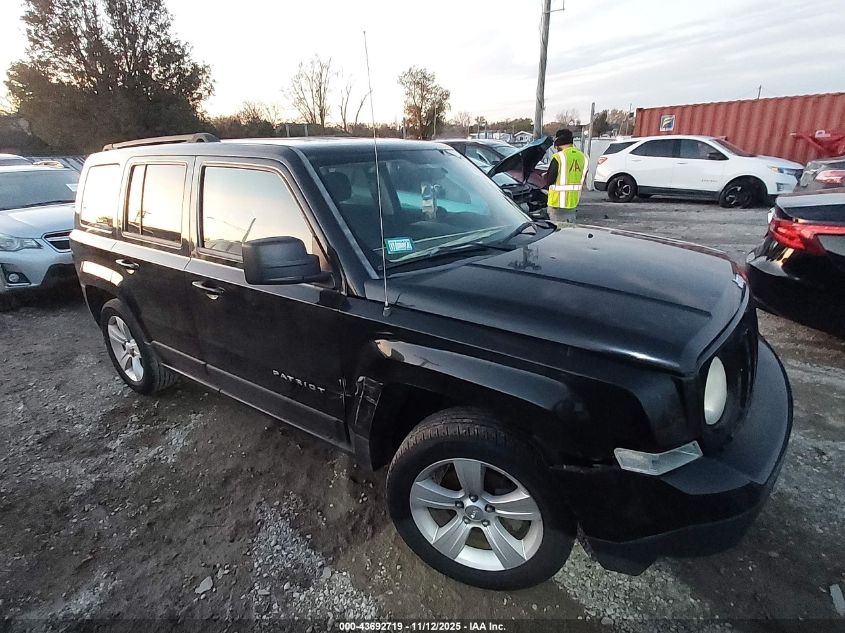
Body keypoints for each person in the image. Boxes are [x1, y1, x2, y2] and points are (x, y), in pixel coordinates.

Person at [544, 129, 587, 223]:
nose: (556, 148)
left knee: (559, 232)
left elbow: (550, 180)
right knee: (569, 231)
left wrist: (544, 178)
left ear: (559, 143)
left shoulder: (559, 157)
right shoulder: (583, 157)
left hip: (557, 203)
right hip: (573, 202)